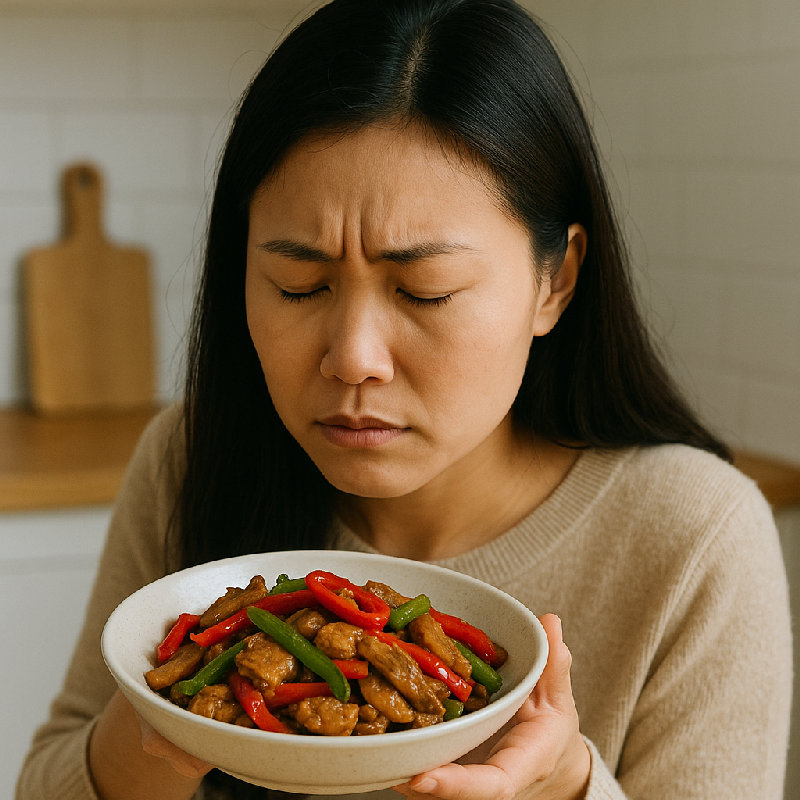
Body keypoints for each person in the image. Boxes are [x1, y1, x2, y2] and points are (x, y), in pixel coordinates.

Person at [17, 0, 792, 798]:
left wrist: (564, 783)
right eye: (298, 284)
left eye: (425, 291)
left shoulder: (695, 535)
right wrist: (177, 702)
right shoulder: (193, 454)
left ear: (554, 282)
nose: (354, 358)